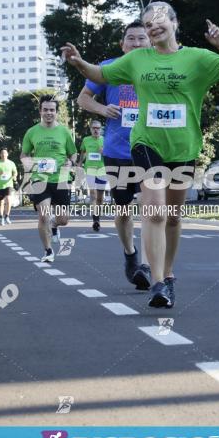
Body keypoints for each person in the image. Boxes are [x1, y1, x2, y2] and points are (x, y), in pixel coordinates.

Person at [62, 2, 219, 308]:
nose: (152, 27)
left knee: (172, 217)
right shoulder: (137, 59)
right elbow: (101, 74)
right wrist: (79, 62)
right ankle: (157, 281)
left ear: (174, 23)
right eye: (147, 24)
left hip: (183, 146)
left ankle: (168, 275)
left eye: (158, 21)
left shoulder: (197, 58)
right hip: (146, 143)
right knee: (155, 209)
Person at [76, 21, 152, 290]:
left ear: (150, 42)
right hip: (118, 151)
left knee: (149, 204)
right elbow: (82, 99)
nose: (136, 43)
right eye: (131, 39)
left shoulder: (158, 67)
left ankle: (151, 265)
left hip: (150, 149)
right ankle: (131, 256)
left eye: (142, 38)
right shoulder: (108, 69)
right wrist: (102, 109)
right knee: (124, 210)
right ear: (123, 44)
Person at [21, 96, 77, 262]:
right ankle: (48, 251)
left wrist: (71, 161)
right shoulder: (31, 132)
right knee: (43, 215)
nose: (48, 113)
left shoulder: (64, 131)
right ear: (40, 111)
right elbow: (24, 154)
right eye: (45, 110)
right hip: (40, 178)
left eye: (52, 110)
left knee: (63, 220)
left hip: (61, 178)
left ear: (56, 112)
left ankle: (54, 225)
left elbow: (73, 152)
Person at [79, 120, 107, 231]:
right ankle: (95, 220)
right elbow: (83, 152)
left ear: (101, 129)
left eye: (98, 128)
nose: (96, 130)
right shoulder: (86, 140)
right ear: (90, 129)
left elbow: (111, 155)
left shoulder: (105, 140)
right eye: (94, 128)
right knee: (93, 193)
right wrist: (79, 163)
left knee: (100, 198)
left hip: (102, 171)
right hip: (90, 170)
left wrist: (104, 152)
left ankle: (97, 217)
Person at [0, 149, 17, 226]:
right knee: (1, 202)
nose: (4, 155)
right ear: (0, 155)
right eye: (2, 153)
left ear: (7, 154)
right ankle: (1, 217)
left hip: (8, 184)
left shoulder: (11, 163)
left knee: (8, 200)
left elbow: (15, 172)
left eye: (5, 153)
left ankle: (7, 216)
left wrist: (14, 176)